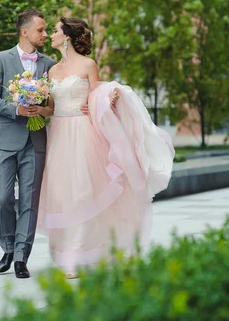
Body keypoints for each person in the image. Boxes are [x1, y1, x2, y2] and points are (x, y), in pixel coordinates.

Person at [37, 17, 175, 278]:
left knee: (83, 192)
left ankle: (77, 254)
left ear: (66, 36)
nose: (51, 34)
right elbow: (51, 108)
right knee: (62, 193)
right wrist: (32, 105)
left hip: (84, 135)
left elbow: (96, 98)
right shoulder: (52, 71)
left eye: (55, 30)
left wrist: (109, 99)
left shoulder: (89, 65)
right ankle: (65, 251)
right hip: (57, 134)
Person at [0, 9, 56, 279]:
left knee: (30, 201)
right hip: (3, 140)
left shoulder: (49, 64)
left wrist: (43, 108)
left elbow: (52, 104)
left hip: (35, 141)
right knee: (2, 199)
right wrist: (16, 109)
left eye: (47, 30)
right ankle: (8, 247)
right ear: (25, 32)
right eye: (41, 30)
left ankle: (22, 257)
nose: (45, 34)